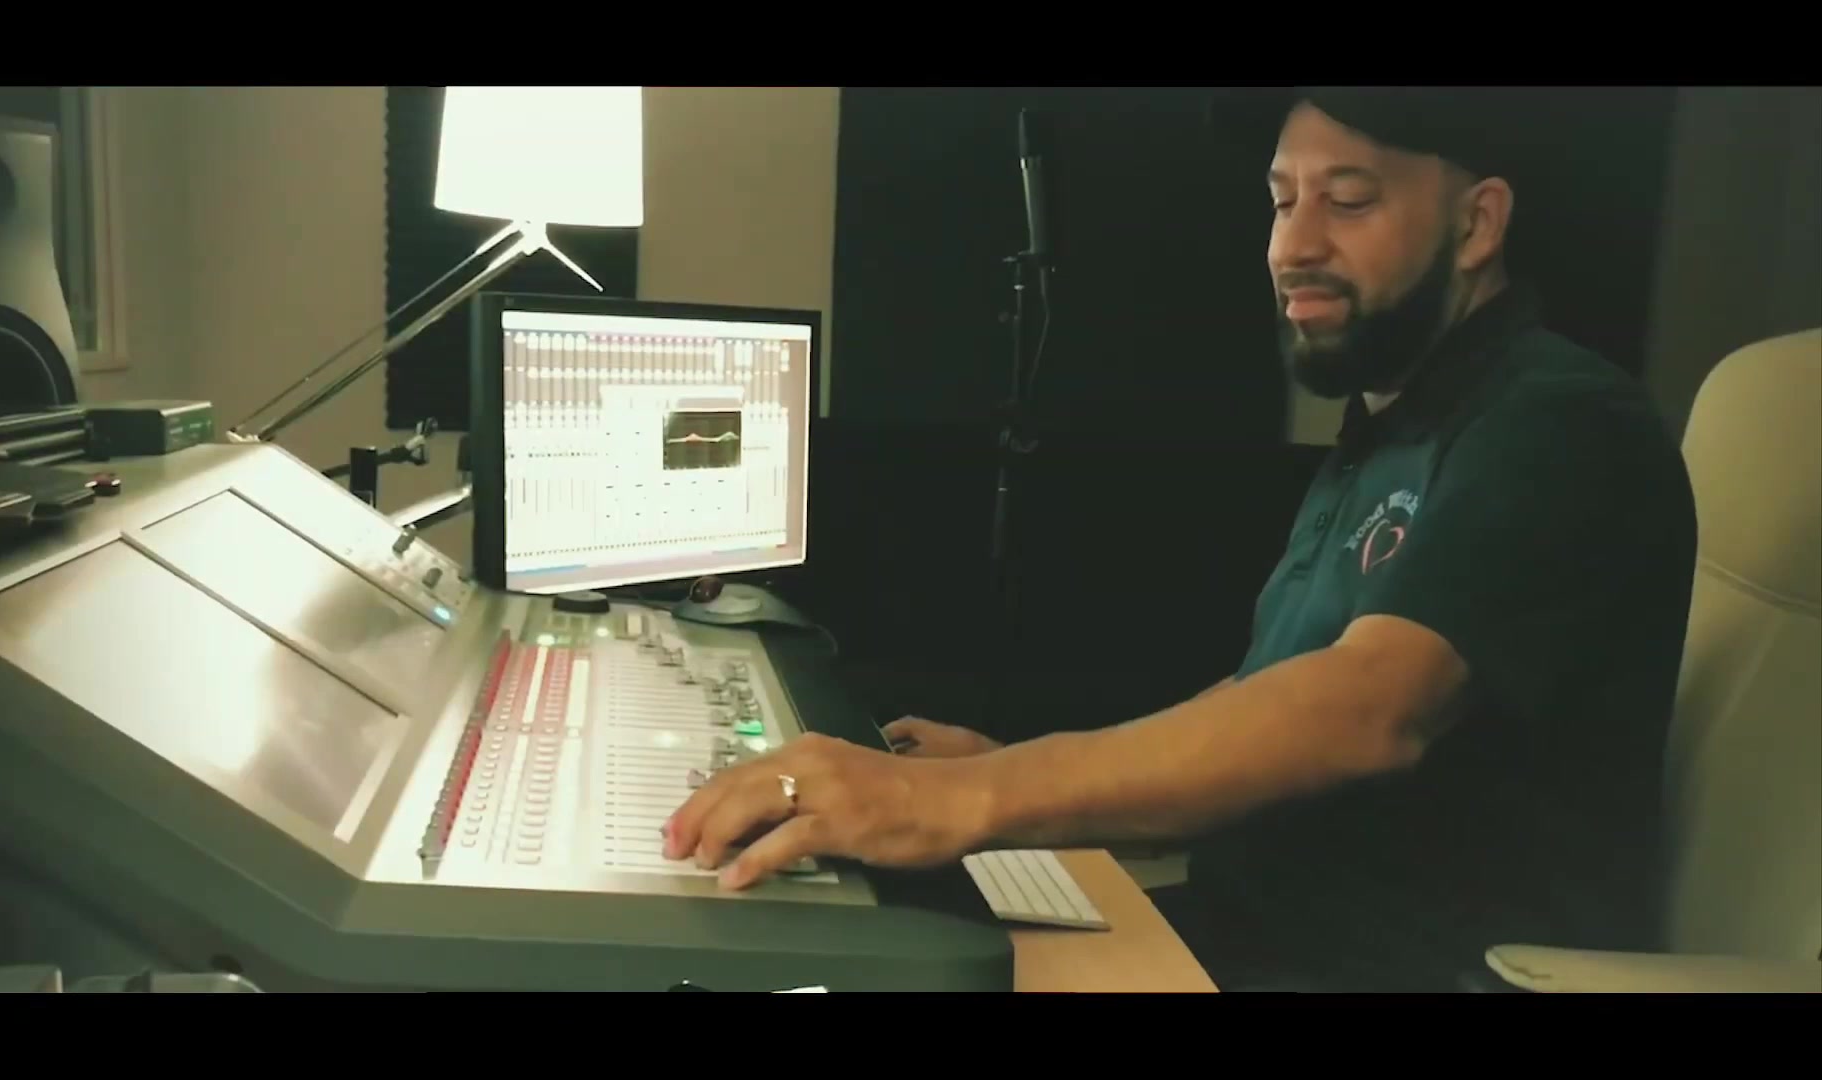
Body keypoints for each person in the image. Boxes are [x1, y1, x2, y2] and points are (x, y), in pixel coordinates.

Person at [662, 87, 1699, 992]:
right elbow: (1269, 697)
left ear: (1477, 225)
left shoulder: (1557, 424)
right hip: (1243, 935)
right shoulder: (1390, 429)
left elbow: (1367, 710)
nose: (1294, 246)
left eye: (1348, 201)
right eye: (1282, 202)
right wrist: (1016, 768)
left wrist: (956, 800)